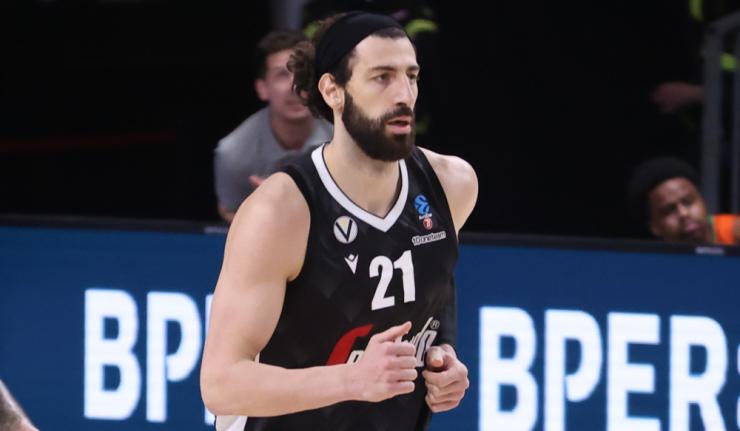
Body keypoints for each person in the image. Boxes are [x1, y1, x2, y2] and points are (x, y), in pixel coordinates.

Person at [201, 11, 477, 431]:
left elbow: (436, 290)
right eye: (382, 77)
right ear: (333, 90)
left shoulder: (452, 184)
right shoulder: (281, 211)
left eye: (411, 76)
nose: (404, 93)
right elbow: (221, 386)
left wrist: (443, 357)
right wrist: (352, 379)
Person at [213, 30, 333, 223]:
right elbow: (229, 210)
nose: (296, 87)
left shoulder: (348, 136)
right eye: (282, 75)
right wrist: (264, 207)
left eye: (303, 72)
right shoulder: (233, 154)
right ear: (262, 88)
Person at [627, 156, 739, 244]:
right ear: (654, 227)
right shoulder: (652, 260)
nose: (684, 214)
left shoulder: (733, 232)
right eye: (669, 210)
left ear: (702, 201)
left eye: (688, 202)